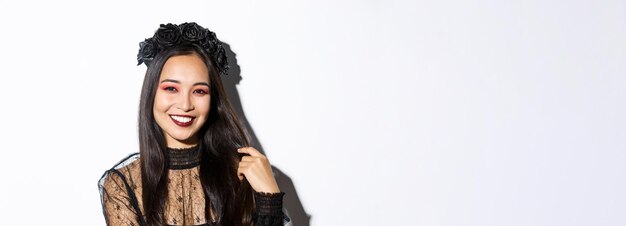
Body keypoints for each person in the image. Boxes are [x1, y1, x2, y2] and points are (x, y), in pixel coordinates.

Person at [98, 22, 288, 226]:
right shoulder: (123, 185)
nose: (185, 105)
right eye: (171, 89)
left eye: (199, 91)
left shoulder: (244, 172)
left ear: (213, 99)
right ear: (151, 93)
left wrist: (270, 199)